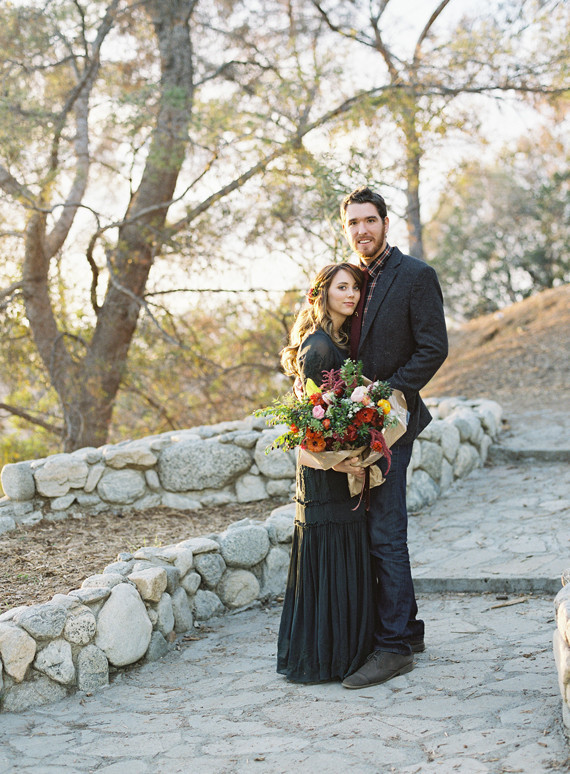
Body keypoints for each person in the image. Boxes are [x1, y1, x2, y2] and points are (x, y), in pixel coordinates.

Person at [332, 186, 448, 689]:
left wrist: (384, 395)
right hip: (355, 424)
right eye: (353, 222)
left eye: (370, 221)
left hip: (394, 422)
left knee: (386, 531)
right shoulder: (350, 280)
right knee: (375, 528)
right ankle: (411, 629)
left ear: (385, 221)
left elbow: (433, 349)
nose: (362, 230)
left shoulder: (416, 276)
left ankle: (395, 647)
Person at [277, 261, 375, 684]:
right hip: (326, 471)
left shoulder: (335, 341)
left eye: (355, 287)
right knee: (332, 554)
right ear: (322, 293)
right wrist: (340, 458)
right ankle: (328, 658)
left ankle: (334, 653)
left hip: (337, 463)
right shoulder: (318, 347)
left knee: (339, 553)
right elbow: (311, 423)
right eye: (342, 287)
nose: (351, 295)